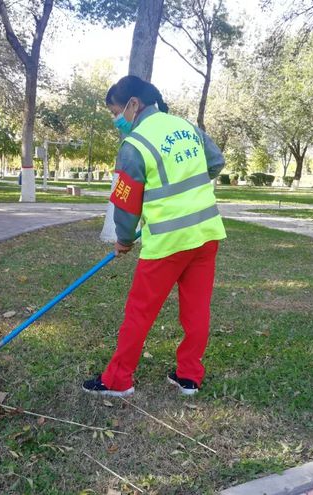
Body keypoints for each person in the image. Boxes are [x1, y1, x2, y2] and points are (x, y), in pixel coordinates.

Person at [82, 75, 226, 397]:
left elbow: (126, 202)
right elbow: (216, 162)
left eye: (115, 111)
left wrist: (124, 238)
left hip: (168, 242)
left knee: (140, 310)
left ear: (133, 104)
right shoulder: (186, 127)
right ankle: (189, 377)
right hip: (206, 234)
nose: (116, 119)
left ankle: (118, 380)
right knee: (197, 308)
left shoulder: (134, 144)